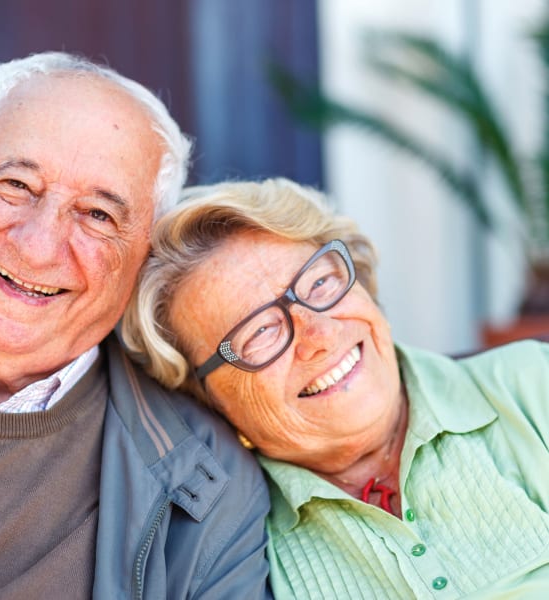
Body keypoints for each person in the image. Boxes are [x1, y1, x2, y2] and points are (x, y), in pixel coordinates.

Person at [123, 177, 549, 599]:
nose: (319, 333)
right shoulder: (236, 548)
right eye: (260, 332)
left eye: (319, 283)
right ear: (208, 398)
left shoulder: (531, 386)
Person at [0, 52, 272, 599]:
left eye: (98, 215)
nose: (39, 245)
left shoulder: (209, 487)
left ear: (147, 255)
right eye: (15, 184)